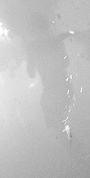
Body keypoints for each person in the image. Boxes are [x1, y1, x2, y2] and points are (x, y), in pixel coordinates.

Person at [24, 12, 74, 141]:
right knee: (66, 126)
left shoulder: (32, 47)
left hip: (51, 91)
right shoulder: (56, 41)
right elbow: (66, 63)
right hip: (64, 86)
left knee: (59, 129)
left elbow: (31, 74)